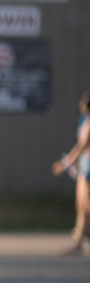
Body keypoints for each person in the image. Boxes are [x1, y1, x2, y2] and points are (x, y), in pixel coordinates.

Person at [51, 90, 90, 256]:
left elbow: (82, 145)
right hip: (84, 164)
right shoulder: (85, 120)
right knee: (81, 205)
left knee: (87, 206)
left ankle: (81, 239)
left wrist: (64, 163)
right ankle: (79, 243)